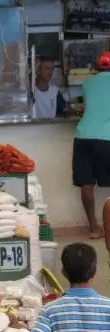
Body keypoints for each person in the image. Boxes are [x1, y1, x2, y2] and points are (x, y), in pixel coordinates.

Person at [73, 51, 110, 239]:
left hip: (83, 137)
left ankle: (94, 228)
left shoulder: (87, 83)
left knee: (86, 183)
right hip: (107, 138)